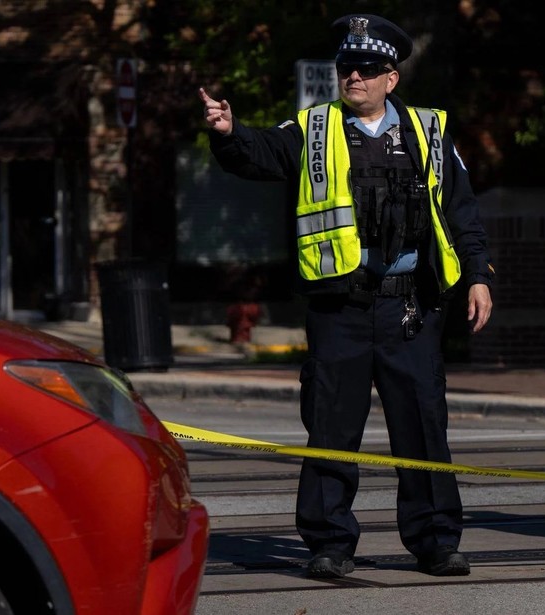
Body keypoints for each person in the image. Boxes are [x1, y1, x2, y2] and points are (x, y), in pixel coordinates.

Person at [199, 13, 494, 578]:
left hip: (410, 307)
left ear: (391, 78)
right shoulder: (313, 128)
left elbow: (462, 211)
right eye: (346, 67)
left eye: (366, 68)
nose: (353, 76)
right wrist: (228, 132)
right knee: (332, 428)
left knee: (423, 427)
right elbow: (258, 153)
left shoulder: (429, 132)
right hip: (341, 308)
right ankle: (330, 544)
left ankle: (436, 541)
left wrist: (478, 275)